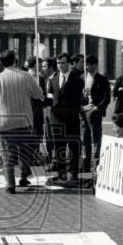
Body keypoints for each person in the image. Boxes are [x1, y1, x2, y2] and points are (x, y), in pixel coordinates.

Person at [0, 49, 44, 192]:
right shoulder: (26, 76)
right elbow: (39, 95)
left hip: (5, 123)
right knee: (25, 151)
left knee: (7, 154)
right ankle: (24, 175)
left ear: (1, 63)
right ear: (15, 61)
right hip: (24, 121)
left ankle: (10, 184)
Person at [46, 53, 84, 183]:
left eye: (62, 63)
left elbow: (80, 99)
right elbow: (50, 98)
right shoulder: (52, 79)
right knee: (59, 147)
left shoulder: (77, 79)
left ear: (68, 63)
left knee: (74, 147)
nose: (60, 66)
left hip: (72, 118)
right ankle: (61, 173)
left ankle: (73, 174)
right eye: (58, 63)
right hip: (56, 119)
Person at [81, 54, 111, 172]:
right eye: (85, 64)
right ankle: (85, 164)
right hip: (83, 112)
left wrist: (98, 107)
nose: (86, 67)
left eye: (88, 65)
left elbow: (106, 97)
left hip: (95, 112)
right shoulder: (82, 78)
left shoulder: (102, 79)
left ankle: (96, 163)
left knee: (96, 139)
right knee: (84, 139)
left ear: (95, 65)